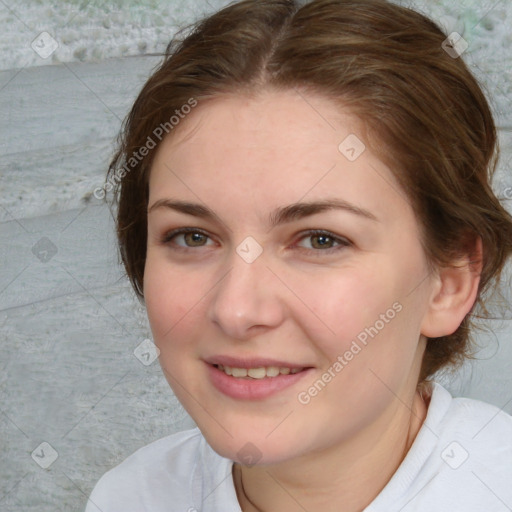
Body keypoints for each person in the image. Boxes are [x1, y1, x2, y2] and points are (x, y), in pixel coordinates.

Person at [85, 0, 512, 510]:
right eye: (192, 237)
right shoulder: (129, 498)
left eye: (320, 240)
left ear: (450, 280)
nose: (237, 310)